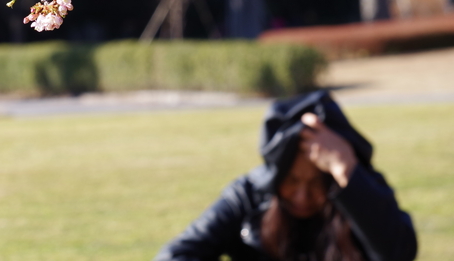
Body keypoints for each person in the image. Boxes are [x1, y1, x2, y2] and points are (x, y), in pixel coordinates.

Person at [154, 90, 417, 261]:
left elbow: (399, 253)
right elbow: (176, 255)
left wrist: (346, 170)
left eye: (316, 182)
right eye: (292, 181)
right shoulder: (248, 196)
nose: (302, 196)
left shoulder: (362, 190)